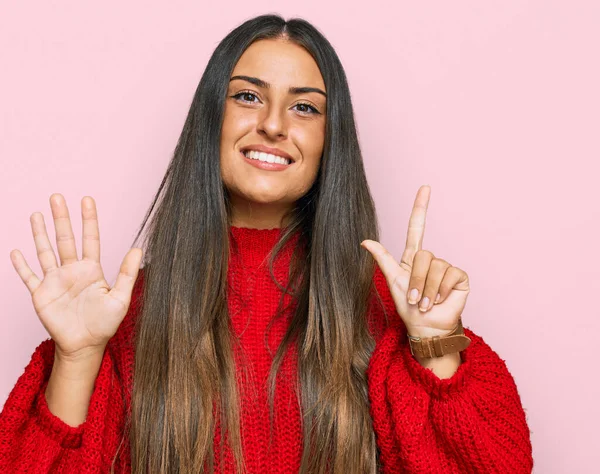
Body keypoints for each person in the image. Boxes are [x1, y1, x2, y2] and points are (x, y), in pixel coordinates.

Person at [0, 14, 533, 474]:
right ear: (212, 118)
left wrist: (435, 344)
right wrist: (77, 357)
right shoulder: (125, 315)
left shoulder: (385, 310)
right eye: (248, 97)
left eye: (305, 108)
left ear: (331, 141)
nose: (274, 125)